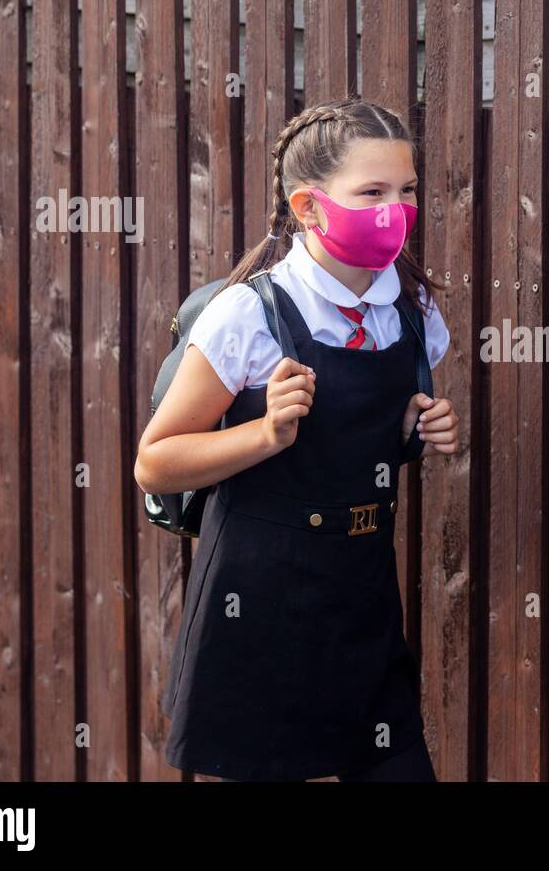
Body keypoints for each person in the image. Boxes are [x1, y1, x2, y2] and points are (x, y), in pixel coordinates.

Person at [134, 94, 459, 781]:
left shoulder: (413, 311)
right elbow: (155, 464)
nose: (394, 210)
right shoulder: (249, 313)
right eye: (371, 192)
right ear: (310, 207)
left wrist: (411, 430)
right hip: (257, 605)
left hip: (361, 604)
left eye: (406, 192)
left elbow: (360, 436)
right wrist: (265, 432)